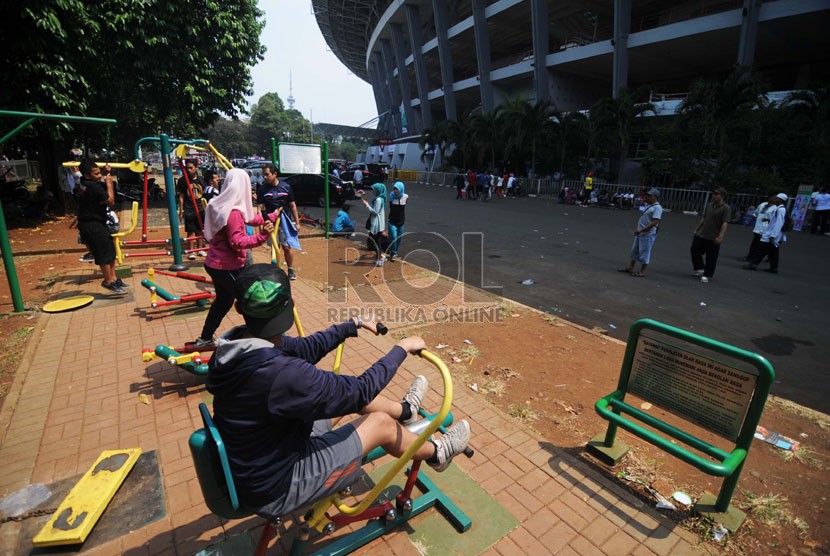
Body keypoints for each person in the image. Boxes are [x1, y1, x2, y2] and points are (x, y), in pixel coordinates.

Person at [205, 263, 472, 517]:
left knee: (342, 396)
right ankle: (438, 453)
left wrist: (351, 325)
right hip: (278, 486)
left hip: (266, 455)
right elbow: (361, 390)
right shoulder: (281, 374)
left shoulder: (238, 344)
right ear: (292, 304)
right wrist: (401, 348)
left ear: (239, 307)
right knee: (378, 422)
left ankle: (405, 412)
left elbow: (305, 348)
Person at [193, 169, 276, 348]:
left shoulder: (220, 204)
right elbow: (237, 241)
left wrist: (270, 216)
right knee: (248, 299)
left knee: (224, 301)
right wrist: (262, 236)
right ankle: (263, 337)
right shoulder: (233, 212)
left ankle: (205, 338)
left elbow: (248, 218)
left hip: (216, 263)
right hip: (225, 266)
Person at [75, 160, 127, 294]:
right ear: (87, 175)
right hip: (92, 223)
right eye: (96, 174)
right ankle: (108, 281)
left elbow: (98, 182)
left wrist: (106, 173)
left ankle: (114, 278)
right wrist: (109, 183)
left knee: (110, 249)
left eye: (99, 173)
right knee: (103, 252)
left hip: (97, 222)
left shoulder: (83, 182)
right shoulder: (93, 187)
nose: (99, 176)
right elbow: (110, 201)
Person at [258, 163, 300, 281]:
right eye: (264, 175)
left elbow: (292, 205)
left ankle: (290, 269)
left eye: (267, 174)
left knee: (287, 247)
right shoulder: (262, 189)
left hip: (285, 223)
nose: (265, 177)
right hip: (271, 224)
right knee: (274, 247)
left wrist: (297, 223)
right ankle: (275, 270)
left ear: (274, 174)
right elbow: (260, 208)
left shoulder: (286, 187)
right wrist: (261, 225)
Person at [690, 187, 731, 283]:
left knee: (711, 257)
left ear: (722, 196)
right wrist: (696, 229)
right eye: (713, 194)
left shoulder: (725, 208)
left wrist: (720, 236)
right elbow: (704, 218)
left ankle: (706, 275)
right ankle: (700, 267)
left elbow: (725, 223)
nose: (714, 195)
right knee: (694, 250)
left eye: (716, 194)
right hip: (702, 233)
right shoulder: (709, 205)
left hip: (713, 236)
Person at [619, 188, 662, 277]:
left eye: (650, 196)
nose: (648, 197)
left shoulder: (657, 208)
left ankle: (642, 271)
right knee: (634, 251)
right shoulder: (649, 205)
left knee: (645, 252)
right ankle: (631, 267)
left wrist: (642, 230)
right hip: (640, 232)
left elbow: (655, 222)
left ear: (655, 197)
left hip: (648, 233)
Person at [743, 193, 787, 274]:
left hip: (772, 234)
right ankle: (773, 268)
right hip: (772, 233)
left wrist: (773, 235)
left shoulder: (781, 209)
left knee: (762, 248)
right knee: (773, 251)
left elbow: (779, 223)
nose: (775, 200)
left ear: (781, 200)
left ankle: (753, 264)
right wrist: (767, 220)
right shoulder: (779, 208)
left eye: (777, 198)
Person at [177, 160, 207, 260]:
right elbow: (181, 196)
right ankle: (191, 251)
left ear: (196, 168)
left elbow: (206, 195)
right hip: (189, 208)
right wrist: (181, 210)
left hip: (200, 208)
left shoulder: (202, 180)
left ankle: (200, 249)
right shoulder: (182, 181)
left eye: (191, 168)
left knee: (200, 229)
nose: (189, 170)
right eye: (187, 168)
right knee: (190, 230)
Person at [738, 195, 775, 262]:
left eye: (774, 198)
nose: (772, 199)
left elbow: (774, 220)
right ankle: (750, 257)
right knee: (754, 244)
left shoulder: (775, 208)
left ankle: (754, 258)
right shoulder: (763, 204)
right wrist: (748, 221)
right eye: (771, 198)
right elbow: (755, 214)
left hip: (766, 230)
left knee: (760, 245)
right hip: (757, 228)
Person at [363, 183, 388, 266]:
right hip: (379, 224)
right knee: (377, 241)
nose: (373, 191)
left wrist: (367, 205)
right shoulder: (381, 199)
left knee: (373, 242)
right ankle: (380, 257)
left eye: (374, 190)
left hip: (377, 225)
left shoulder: (378, 200)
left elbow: (375, 212)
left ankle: (381, 256)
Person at [387, 181, 408, 261]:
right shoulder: (391, 197)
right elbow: (390, 207)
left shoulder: (405, 197)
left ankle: (394, 252)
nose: (395, 191)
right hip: (392, 221)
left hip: (401, 221)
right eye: (394, 189)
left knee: (398, 238)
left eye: (397, 189)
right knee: (393, 237)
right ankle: (393, 252)